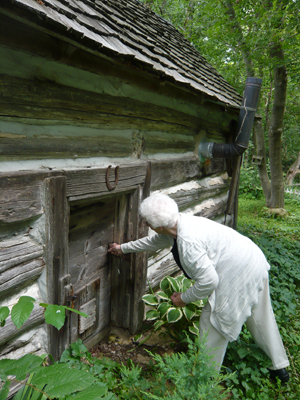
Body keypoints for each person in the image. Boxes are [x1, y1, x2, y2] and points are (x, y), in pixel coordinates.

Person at [108, 193, 290, 382]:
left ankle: (205, 379)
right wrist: (123, 248)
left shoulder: (188, 242)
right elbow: (155, 242)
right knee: (260, 315)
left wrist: (184, 298)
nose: (146, 224)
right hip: (253, 257)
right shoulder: (178, 224)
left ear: (159, 226)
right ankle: (279, 368)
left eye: (147, 221)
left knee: (213, 321)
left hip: (240, 269)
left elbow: (210, 282)